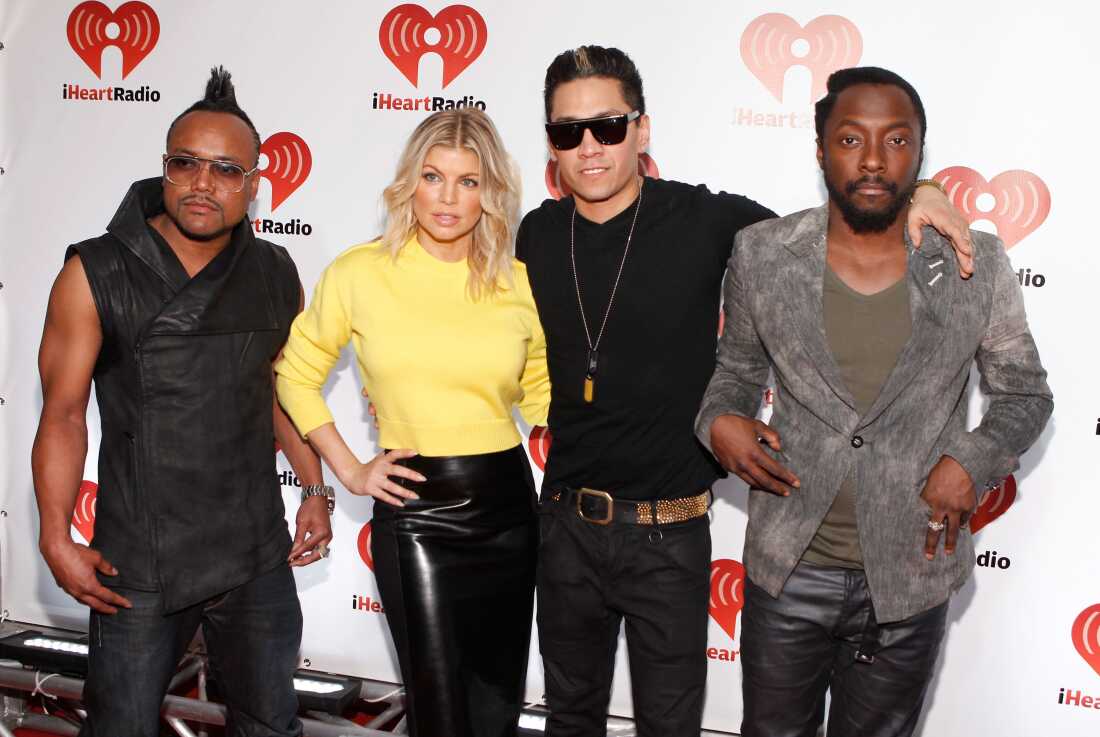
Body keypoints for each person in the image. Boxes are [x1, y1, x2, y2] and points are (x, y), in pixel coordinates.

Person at [517, 46, 975, 737]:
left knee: (669, 727)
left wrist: (925, 188)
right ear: (551, 142)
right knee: (567, 721)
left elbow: (848, 220)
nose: (588, 146)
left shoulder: (711, 221)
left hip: (667, 536)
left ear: (641, 130)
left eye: (608, 126)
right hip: (565, 529)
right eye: (566, 131)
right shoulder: (536, 234)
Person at [695, 66, 1053, 737]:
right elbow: (735, 371)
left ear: (920, 153)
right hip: (789, 567)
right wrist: (719, 419)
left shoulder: (978, 264)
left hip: (911, 576)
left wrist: (970, 461)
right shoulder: (763, 254)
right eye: (852, 139)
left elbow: (1024, 393)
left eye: (896, 141)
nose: (873, 159)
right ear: (822, 148)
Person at [31, 67, 332, 736]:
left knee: (271, 725)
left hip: (254, 551)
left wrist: (315, 487)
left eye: (227, 170)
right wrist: (56, 533)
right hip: (136, 562)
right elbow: (62, 413)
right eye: (185, 163)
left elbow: (279, 391)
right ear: (163, 168)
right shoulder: (95, 270)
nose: (203, 183)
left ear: (255, 185)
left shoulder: (275, 271)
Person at [274, 107, 549, 737]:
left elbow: (544, 397)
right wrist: (348, 468)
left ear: (491, 193)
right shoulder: (360, 273)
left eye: (469, 181)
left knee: (495, 706)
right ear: (410, 183)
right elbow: (294, 373)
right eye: (433, 176)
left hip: (508, 507)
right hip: (417, 511)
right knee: (438, 711)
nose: (448, 197)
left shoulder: (520, 284)